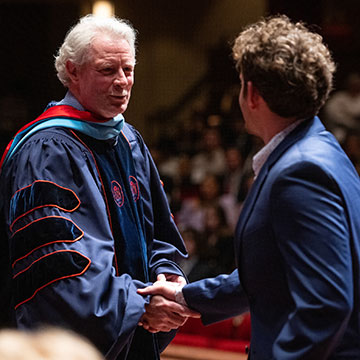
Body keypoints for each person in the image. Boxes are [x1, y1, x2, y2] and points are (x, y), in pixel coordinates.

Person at [139, 15, 360, 359]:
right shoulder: (319, 148)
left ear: (252, 92)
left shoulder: (300, 171)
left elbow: (327, 303)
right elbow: (272, 272)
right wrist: (187, 298)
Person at [0, 15, 199, 360]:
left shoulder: (129, 141)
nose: (122, 82)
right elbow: (59, 271)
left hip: (134, 331)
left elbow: (158, 236)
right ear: (73, 71)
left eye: (129, 69)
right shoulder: (47, 150)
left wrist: (167, 278)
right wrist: (139, 304)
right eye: (108, 70)